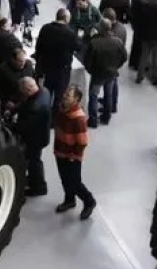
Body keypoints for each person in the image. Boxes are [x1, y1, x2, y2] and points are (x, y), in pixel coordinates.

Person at [53, 86, 97, 220]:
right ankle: (69, 200)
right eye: (65, 93)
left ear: (76, 99)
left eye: (68, 95)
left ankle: (89, 201)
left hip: (71, 156)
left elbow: (82, 142)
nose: (65, 96)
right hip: (60, 151)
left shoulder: (78, 118)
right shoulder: (62, 110)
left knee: (75, 182)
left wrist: (73, 156)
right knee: (65, 178)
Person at [10, 77, 52, 197]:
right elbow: (25, 102)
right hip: (41, 135)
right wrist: (14, 109)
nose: (22, 95)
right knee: (34, 161)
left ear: (28, 89)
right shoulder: (44, 91)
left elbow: (27, 125)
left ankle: (39, 187)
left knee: (33, 162)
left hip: (35, 138)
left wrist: (12, 125)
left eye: (23, 92)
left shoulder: (36, 107)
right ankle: (35, 181)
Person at [83, 19, 128, 127]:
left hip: (98, 74)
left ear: (100, 29)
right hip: (111, 73)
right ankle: (106, 117)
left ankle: (93, 120)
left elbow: (87, 61)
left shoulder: (94, 43)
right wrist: (116, 66)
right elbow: (124, 57)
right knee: (108, 95)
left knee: (93, 95)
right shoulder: (118, 41)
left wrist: (91, 70)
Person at [35, 8, 82, 110]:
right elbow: (78, 47)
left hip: (47, 67)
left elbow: (38, 46)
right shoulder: (70, 33)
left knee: (46, 92)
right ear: (66, 18)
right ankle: (54, 119)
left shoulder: (46, 28)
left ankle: (44, 115)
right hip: (62, 69)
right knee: (59, 96)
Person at [129, 0, 153, 70]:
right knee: (140, 47)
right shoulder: (143, 3)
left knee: (135, 45)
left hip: (136, 25)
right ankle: (137, 64)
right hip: (141, 27)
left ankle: (132, 62)